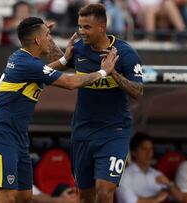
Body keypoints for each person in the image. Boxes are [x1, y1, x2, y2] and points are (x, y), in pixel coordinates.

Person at [0, 17, 119, 203]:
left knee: (25, 196)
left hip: (18, 136)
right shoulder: (27, 63)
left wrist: (64, 59)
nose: (50, 39)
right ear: (37, 40)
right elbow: (70, 83)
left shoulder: (22, 59)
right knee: (7, 197)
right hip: (2, 135)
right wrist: (103, 71)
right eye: (47, 35)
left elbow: (44, 71)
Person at [48, 4, 143, 203]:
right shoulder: (80, 48)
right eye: (80, 26)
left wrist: (113, 73)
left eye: (87, 27)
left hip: (114, 131)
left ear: (102, 26)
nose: (81, 32)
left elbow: (138, 91)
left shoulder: (125, 54)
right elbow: (62, 64)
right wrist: (48, 42)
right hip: (82, 130)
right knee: (85, 196)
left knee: (104, 188)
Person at [116, 132, 182, 203]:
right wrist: (156, 199)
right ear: (134, 152)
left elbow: (181, 199)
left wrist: (169, 184)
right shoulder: (125, 175)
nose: (149, 153)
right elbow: (129, 201)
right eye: (144, 149)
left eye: (151, 149)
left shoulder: (157, 174)